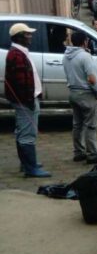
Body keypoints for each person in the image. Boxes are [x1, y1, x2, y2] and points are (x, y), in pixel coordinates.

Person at [5, 23, 51, 177]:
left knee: (23, 132)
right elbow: (20, 82)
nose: (30, 36)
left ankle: (27, 164)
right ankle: (30, 168)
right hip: (25, 101)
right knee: (27, 134)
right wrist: (29, 101)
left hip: (26, 100)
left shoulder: (20, 52)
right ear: (19, 37)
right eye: (27, 34)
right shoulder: (17, 55)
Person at [63, 31, 97, 164]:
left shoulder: (66, 56)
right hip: (87, 94)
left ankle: (78, 152)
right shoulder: (85, 56)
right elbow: (92, 78)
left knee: (77, 124)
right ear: (85, 42)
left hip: (73, 92)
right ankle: (92, 154)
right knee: (91, 125)